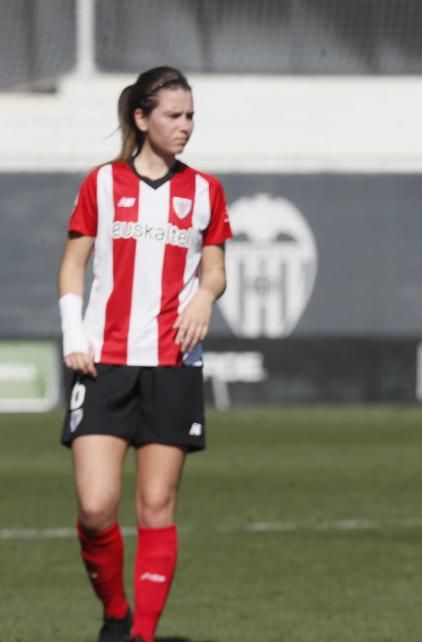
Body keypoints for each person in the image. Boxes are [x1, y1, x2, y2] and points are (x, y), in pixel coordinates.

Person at [58, 66, 232, 642]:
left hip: (172, 364)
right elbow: (73, 264)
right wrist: (72, 333)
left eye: (190, 117)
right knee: (95, 507)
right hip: (103, 361)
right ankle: (114, 610)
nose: (185, 127)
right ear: (142, 117)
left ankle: (140, 636)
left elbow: (214, 270)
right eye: (173, 116)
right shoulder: (102, 184)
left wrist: (206, 297)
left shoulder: (205, 190)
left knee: (156, 506)